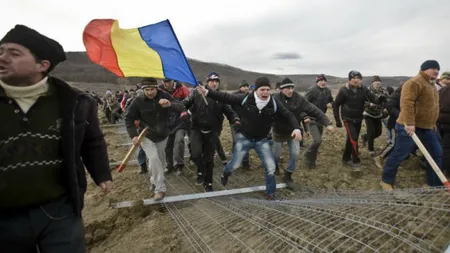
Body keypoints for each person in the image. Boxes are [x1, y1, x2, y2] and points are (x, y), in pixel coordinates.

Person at [0, 25, 112, 253]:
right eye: (1, 51)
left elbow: (92, 142)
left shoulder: (74, 103)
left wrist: (101, 174)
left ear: (43, 65)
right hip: (4, 217)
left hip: (58, 209)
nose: (2, 58)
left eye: (14, 53)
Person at [196, 77, 302, 199]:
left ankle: (270, 193)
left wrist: (296, 128)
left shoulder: (273, 103)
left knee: (271, 167)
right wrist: (207, 92)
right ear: (256, 90)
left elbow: (288, 114)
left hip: (262, 140)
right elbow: (225, 97)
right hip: (245, 138)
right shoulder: (245, 99)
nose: (265, 92)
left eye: (268, 90)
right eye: (262, 89)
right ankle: (226, 172)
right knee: (235, 165)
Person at [380, 60, 442, 190]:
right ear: (424, 69)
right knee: (400, 154)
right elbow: (406, 103)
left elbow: (433, 107)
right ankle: (386, 180)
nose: (436, 71)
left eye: (438, 70)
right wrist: (410, 123)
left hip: (427, 128)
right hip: (408, 127)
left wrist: (433, 123)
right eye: (433, 69)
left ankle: (433, 184)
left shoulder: (431, 85)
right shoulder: (414, 82)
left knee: (436, 153)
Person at [124, 77, 184, 200]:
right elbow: (128, 118)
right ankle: (160, 189)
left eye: (152, 89)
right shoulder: (138, 101)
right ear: (143, 90)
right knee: (153, 158)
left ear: (157, 88)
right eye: (147, 90)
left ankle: (153, 179)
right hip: (146, 135)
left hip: (162, 134)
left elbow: (181, 106)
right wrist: (133, 135)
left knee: (159, 162)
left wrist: (169, 104)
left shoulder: (164, 96)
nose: (150, 92)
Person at [272, 78, 333, 190]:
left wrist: (327, 123)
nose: (290, 90)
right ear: (281, 89)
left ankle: (288, 175)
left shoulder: (298, 99)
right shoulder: (275, 99)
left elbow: (314, 110)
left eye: (291, 88)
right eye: (287, 88)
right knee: (276, 155)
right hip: (279, 131)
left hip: (294, 131)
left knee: (295, 154)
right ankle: (275, 166)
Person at [184, 72, 240, 192]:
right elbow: (184, 104)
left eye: (216, 81)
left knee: (209, 159)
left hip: (213, 131)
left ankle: (208, 182)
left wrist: (235, 120)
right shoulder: (195, 92)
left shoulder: (221, 97)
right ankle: (200, 171)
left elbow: (230, 112)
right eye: (211, 81)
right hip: (196, 128)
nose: (214, 83)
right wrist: (182, 112)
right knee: (196, 154)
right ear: (207, 82)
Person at [333, 71, 382, 172]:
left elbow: (372, 98)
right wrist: (338, 120)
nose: (356, 80)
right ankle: (356, 161)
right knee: (354, 138)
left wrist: (380, 99)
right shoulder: (344, 90)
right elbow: (336, 104)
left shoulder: (363, 89)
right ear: (349, 79)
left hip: (359, 118)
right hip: (347, 118)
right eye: (353, 78)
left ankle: (346, 158)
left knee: (351, 139)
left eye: (358, 78)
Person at [159, 79, 190, 174]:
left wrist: (186, 114)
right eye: (163, 81)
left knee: (179, 141)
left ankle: (179, 165)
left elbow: (188, 104)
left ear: (173, 81)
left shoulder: (183, 89)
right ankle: (169, 165)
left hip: (179, 121)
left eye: (167, 81)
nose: (165, 83)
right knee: (167, 145)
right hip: (166, 122)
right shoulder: (159, 91)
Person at [304, 74, 334, 169]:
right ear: (317, 82)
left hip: (321, 119)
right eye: (321, 80)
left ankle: (311, 163)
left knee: (317, 143)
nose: (323, 82)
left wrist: (330, 104)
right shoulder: (312, 90)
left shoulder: (327, 91)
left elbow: (332, 101)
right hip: (311, 118)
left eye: (324, 80)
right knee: (317, 140)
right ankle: (307, 153)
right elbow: (304, 103)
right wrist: (305, 116)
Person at [361, 76, 390, 156]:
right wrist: (369, 104)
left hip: (378, 115)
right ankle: (371, 149)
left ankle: (365, 137)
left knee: (378, 132)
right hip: (368, 114)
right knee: (371, 132)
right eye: (375, 81)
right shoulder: (367, 90)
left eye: (379, 81)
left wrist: (386, 108)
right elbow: (362, 101)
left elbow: (388, 100)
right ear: (372, 83)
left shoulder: (384, 91)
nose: (377, 83)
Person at [230, 80, 251, 169]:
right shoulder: (233, 96)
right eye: (244, 86)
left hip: (246, 122)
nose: (246, 88)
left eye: (247, 86)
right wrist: (235, 119)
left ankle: (245, 162)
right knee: (237, 141)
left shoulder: (250, 96)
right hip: (235, 121)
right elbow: (229, 109)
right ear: (240, 87)